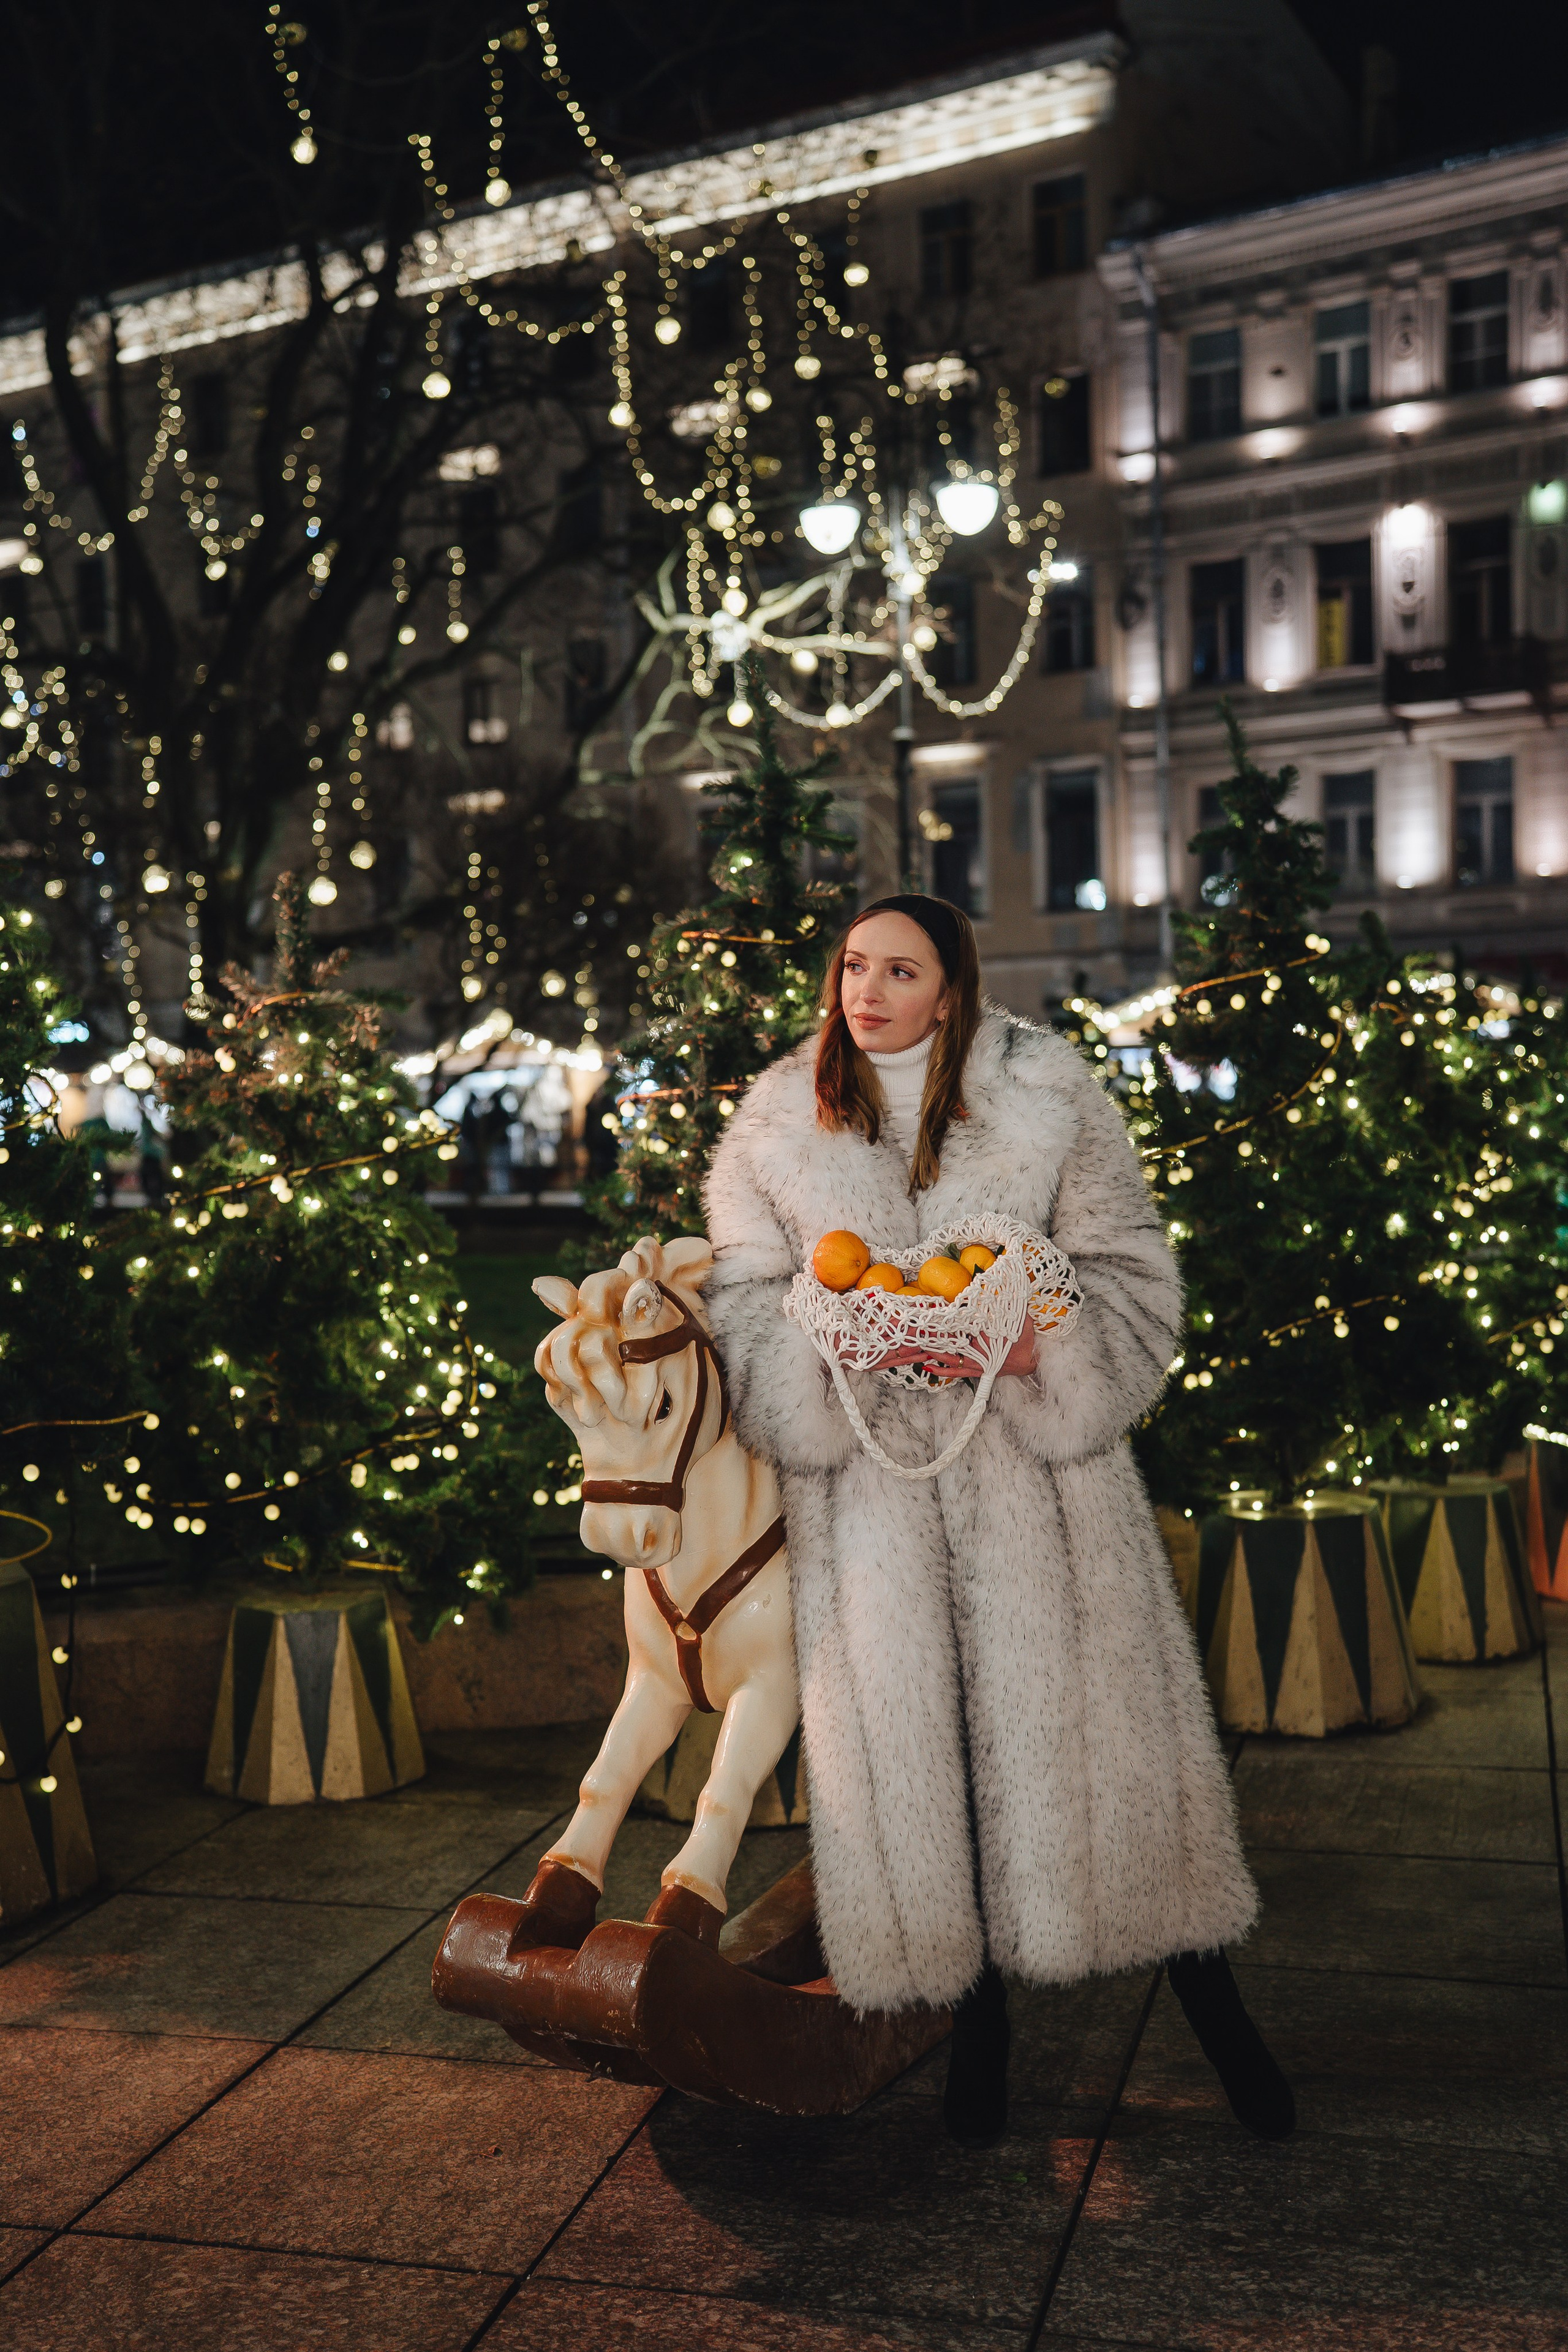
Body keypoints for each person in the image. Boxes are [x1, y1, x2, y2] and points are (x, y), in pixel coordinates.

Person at [702, 893, 1292, 2147]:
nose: (864, 991)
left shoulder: (1048, 1096)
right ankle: (973, 2044)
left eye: (897, 970)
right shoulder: (774, 1122)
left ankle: (1224, 2029)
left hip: (1045, 1502)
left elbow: (1132, 1277)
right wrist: (826, 1346)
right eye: (851, 964)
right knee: (922, 1789)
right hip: (869, 1509)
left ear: (951, 988)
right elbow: (747, 1307)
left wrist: (1036, 1345)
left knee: (1117, 1772)